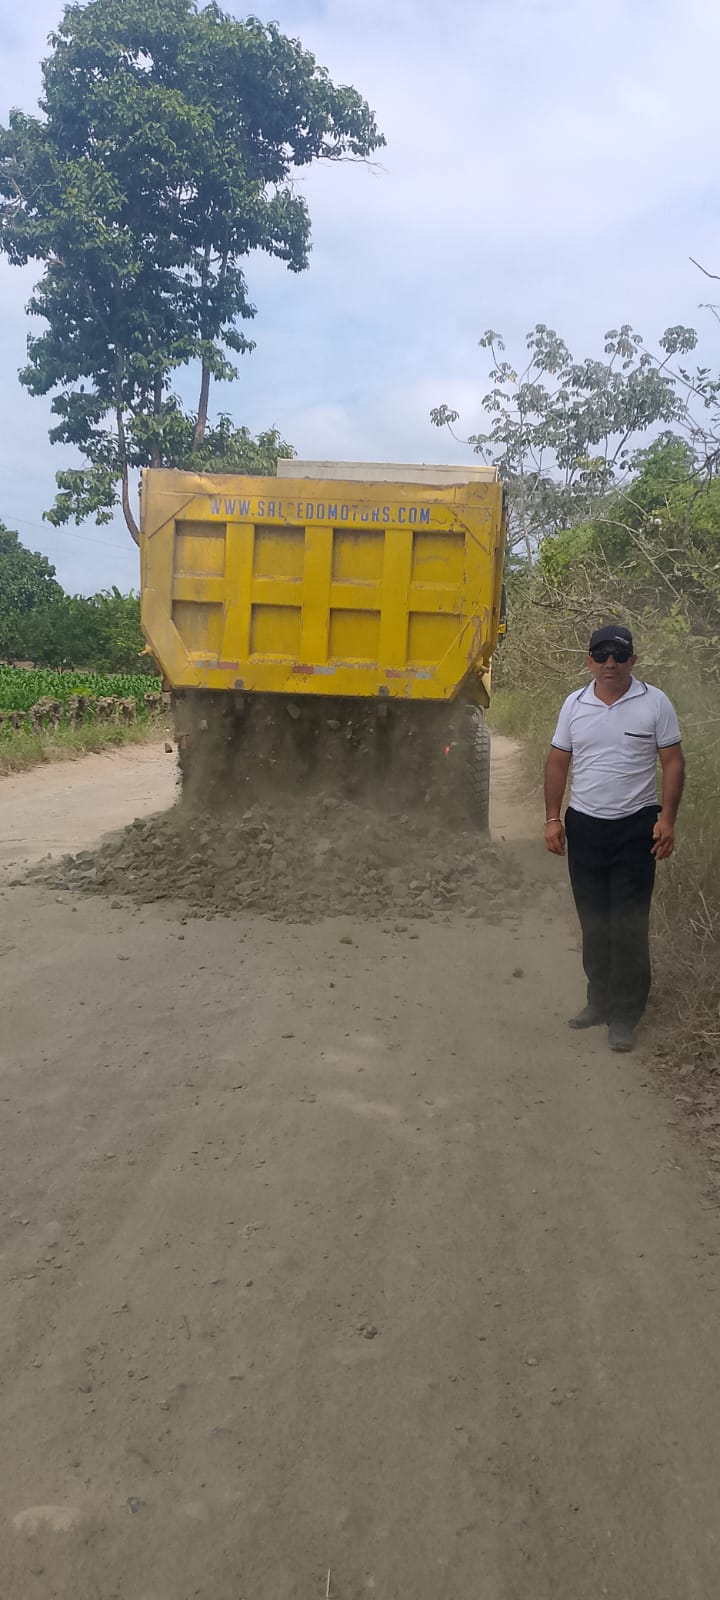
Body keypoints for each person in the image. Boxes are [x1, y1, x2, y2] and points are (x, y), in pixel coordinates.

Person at [543, 624, 685, 1053]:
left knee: (628, 923)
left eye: (619, 656)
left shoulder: (655, 703)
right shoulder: (574, 704)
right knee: (594, 919)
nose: (610, 664)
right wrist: (552, 819)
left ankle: (625, 1015)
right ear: (588, 661)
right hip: (585, 826)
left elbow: (673, 762)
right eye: (601, 655)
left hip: (635, 828)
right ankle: (598, 1001)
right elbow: (557, 762)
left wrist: (668, 820)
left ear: (632, 661)